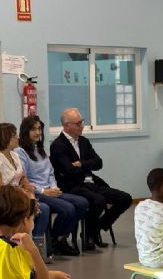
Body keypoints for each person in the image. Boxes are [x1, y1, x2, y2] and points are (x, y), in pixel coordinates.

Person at [50, 107, 132, 250]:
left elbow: (98, 163)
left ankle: (96, 229)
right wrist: (86, 166)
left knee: (125, 198)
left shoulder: (84, 142)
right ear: (67, 126)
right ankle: (89, 235)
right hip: (73, 186)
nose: (82, 126)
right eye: (78, 123)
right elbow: (68, 171)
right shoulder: (58, 145)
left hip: (91, 183)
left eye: (82, 122)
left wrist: (81, 164)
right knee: (98, 200)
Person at [17, 116, 86, 256]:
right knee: (68, 208)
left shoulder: (40, 149)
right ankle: (55, 241)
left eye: (39, 129)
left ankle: (59, 238)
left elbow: (50, 172)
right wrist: (44, 191)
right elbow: (24, 180)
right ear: (25, 131)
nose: (38, 132)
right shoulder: (20, 152)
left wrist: (53, 187)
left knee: (82, 202)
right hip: (36, 193)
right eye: (33, 129)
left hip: (50, 190)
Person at [0, 123, 51, 255]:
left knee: (40, 208)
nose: (17, 138)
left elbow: (22, 176)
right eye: (14, 136)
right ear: (4, 138)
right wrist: (21, 193)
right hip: (6, 199)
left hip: (19, 194)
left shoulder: (14, 155)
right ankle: (24, 246)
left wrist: (28, 188)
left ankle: (34, 246)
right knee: (41, 208)